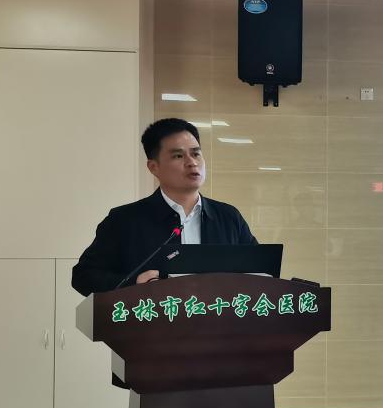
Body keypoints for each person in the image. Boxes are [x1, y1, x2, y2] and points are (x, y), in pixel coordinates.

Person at [72, 117, 256, 296]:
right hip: (153, 316)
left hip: (218, 316)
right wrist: (135, 283)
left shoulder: (228, 217)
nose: (192, 162)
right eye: (178, 156)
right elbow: (84, 276)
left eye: (196, 153)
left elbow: (259, 272)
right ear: (154, 167)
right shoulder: (124, 220)